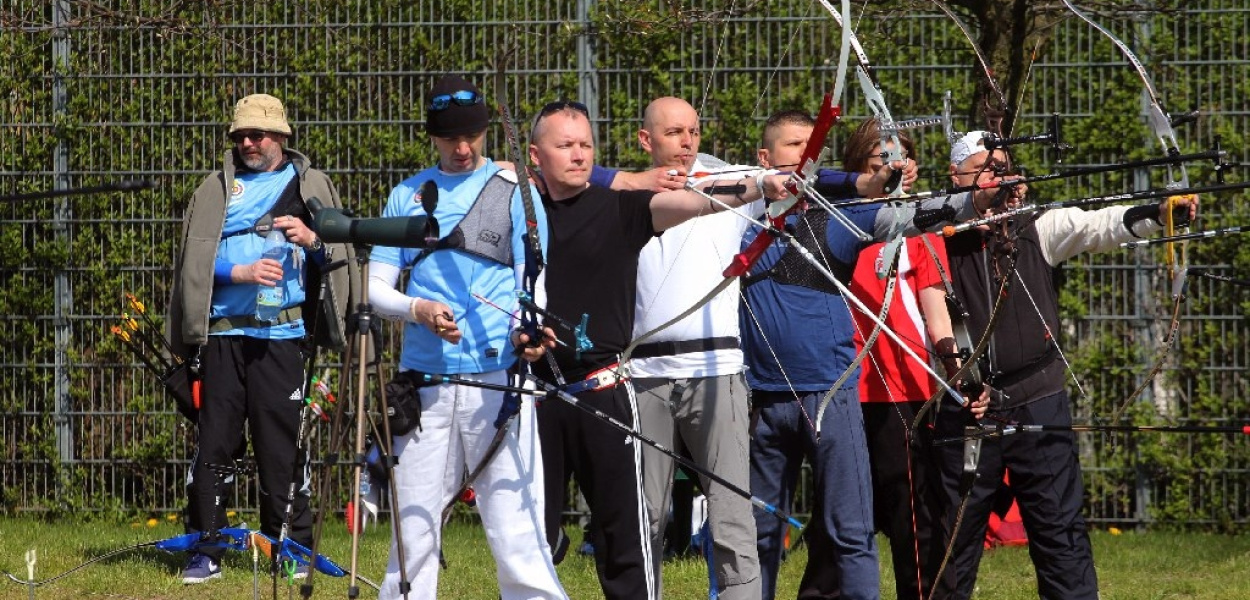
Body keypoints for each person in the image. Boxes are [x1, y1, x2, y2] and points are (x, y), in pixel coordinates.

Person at [527, 99, 789, 600]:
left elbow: (711, 195)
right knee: (630, 517)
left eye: (694, 131)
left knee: (731, 513)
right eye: (674, 132)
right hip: (623, 378)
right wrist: (626, 178)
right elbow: (505, 171)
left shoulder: (698, 184)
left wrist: (768, 183)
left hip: (701, 372)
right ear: (646, 140)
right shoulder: (607, 199)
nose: (688, 141)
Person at [932, 130, 1199, 600]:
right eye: (985, 169)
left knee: (1061, 532)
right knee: (955, 541)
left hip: (1039, 399)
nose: (999, 176)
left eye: (1003, 166)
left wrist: (1160, 213)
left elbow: (1097, 225)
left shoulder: (1037, 226)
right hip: (969, 409)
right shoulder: (936, 235)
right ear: (957, 178)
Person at [745, 110, 993, 600]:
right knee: (763, 531)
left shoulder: (844, 219)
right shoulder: (740, 209)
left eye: (809, 148)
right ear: (764, 158)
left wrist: (975, 197)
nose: (803, 158)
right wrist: (857, 182)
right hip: (776, 391)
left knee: (877, 521)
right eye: (793, 146)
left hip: (857, 388)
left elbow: (921, 230)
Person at [366, 75, 566, 600]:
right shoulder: (407, 196)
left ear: (485, 131)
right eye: (449, 138)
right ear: (430, 136)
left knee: (515, 520)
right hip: (425, 383)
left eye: (472, 135)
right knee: (413, 523)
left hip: (499, 381)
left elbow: (535, 282)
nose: (462, 148)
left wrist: (529, 329)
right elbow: (375, 290)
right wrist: (419, 308)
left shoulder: (517, 191)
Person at [169, 93, 354, 584]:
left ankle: (289, 548)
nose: (249, 143)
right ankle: (204, 549)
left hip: (284, 336)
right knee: (215, 447)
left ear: (282, 137)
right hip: (224, 337)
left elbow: (337, 262)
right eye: (241, 136)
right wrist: (242, 270)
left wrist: (312, 240)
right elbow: (195, 263)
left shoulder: (311, 185)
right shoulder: (214, 190)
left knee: (283, 450)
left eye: (259, 134)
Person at [844, 119, 961, 600]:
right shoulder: (841, 218)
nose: (894, 168)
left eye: (901, 159)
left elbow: (936, 312)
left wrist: (955, 371)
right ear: (859, 166)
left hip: (910, 383)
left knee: (918, 510)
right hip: (854, 382)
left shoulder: (920, 226)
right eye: (880, 160)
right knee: (867, 511)